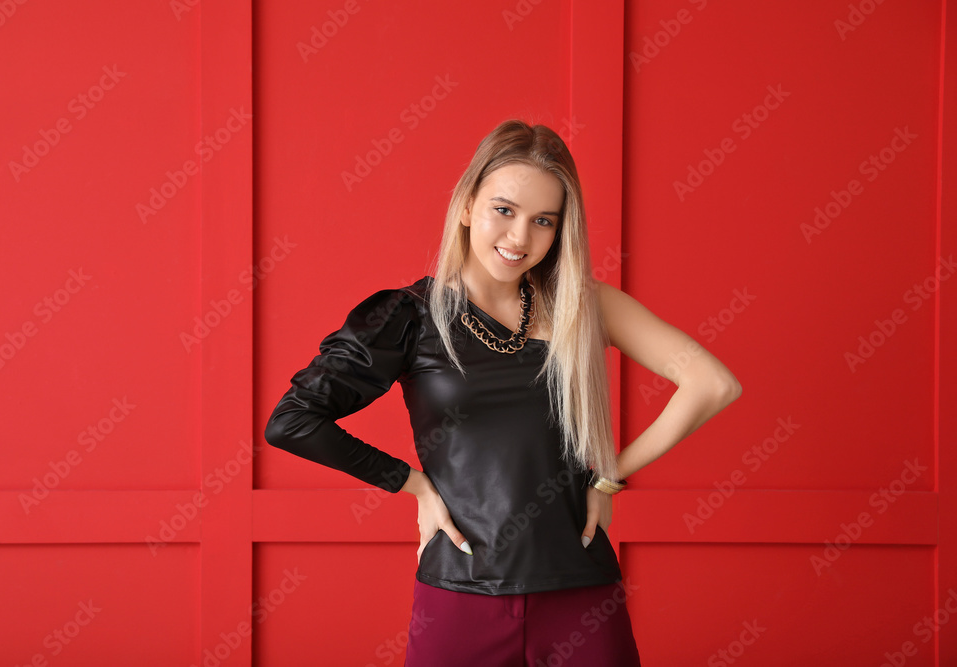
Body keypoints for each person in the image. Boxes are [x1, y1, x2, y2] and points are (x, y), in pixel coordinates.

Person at [264, 119, 742, 666]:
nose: (519, 239)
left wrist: (608, 478)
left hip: (579, 591)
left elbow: (713, 383)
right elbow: (293, 420)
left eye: (543, 221)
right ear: (467, 204)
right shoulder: (407, 317)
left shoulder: (585, 306)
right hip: (460, 593)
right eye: (504, 210)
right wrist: (413, 485)